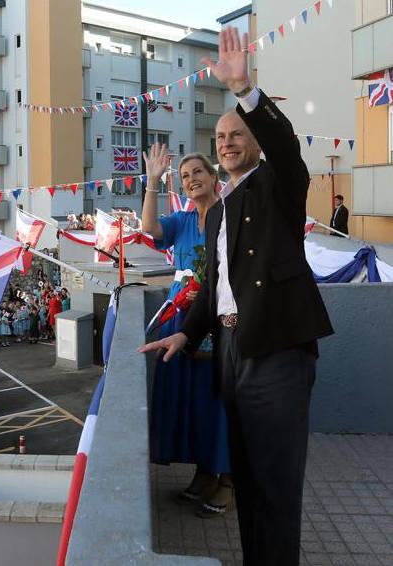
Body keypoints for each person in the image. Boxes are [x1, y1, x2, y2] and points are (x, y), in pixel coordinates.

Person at [139, 27, 333, 566]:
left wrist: (246, 89)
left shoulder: (278, 186)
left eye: (236, 134)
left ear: (254, 140)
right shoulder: (219, 209)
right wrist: (186, 330)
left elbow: (288, 151)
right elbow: (216, 289)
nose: (226, 142)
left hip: (276, 351)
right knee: (246, 481)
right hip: (230, 352)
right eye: (220, 136)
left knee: (275, 486)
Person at [141, 144, 233, 517]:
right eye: (184, 176)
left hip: (217, 318)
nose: (192, 179)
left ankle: (226, 479)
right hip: (182, 321)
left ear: (213, 177)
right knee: (193, 401)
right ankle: (203, 470)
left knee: (218, 401)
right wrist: (152, 182)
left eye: (198, 172)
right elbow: (149, 228)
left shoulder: (228, 215)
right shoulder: (181, 220)